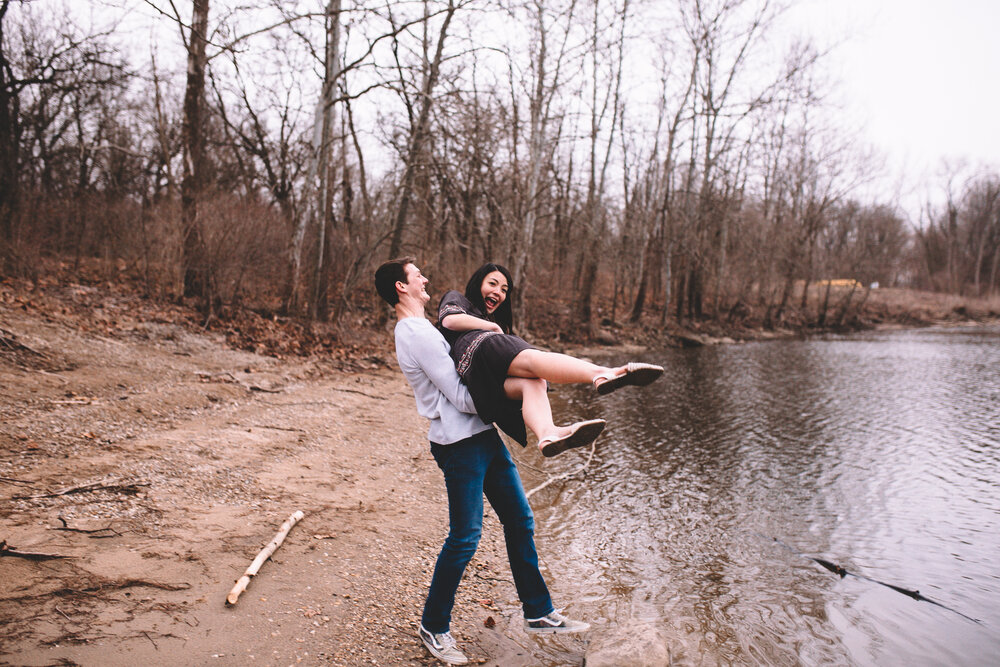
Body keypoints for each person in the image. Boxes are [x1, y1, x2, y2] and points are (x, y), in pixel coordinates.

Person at [374, 257, 592, 666]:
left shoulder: (429, 328)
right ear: (401, 288)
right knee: (465, 537)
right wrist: (512, 392)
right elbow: (459, 396)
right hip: (458, 444)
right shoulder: (416, 333)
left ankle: (538, 611)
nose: (425, 279)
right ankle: (434, 627)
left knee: (520, 519)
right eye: (417, 275)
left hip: (482, 437)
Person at [438, 262, 664, 455]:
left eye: (505, 289)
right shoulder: (459, 299)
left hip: (478, 381)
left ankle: (547, 433)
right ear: (478, 282)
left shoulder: (490, 323)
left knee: (535, 383)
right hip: (479, 350)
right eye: (493, 284)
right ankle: (601, 373)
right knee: (534, 361)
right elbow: (449, 320)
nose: (499, 292)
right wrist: (492, 326)